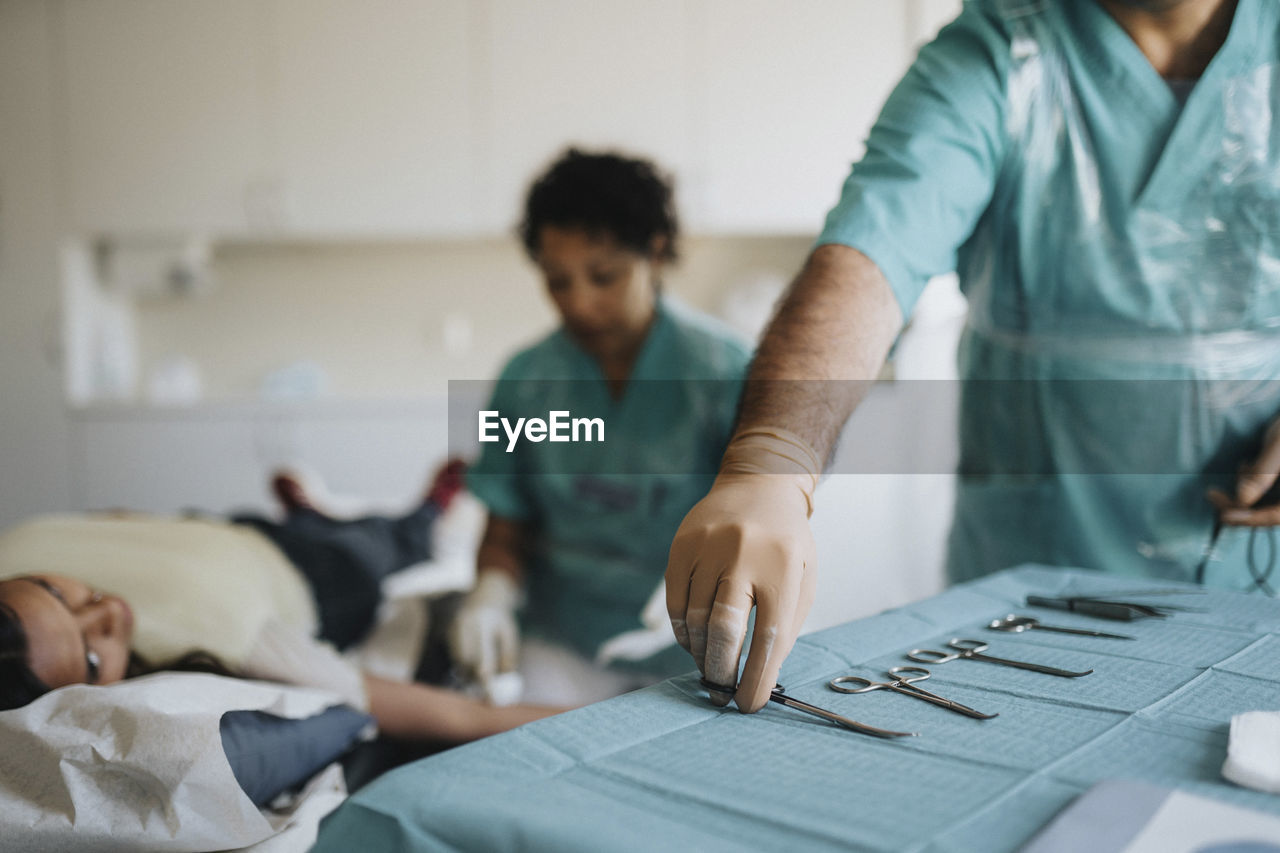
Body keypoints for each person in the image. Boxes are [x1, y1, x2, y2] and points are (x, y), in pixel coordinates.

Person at [666, 0, 1280, 715]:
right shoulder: (1005, 52)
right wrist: (771, 462)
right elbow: (870, 260)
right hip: (1039, 584)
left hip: (1255, 571)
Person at [453, 148, 752, 704]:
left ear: (655, 252)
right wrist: (489, 595)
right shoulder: (527, 381)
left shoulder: (723, 372)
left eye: (604, 276)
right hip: (564, 643)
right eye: (557, 281)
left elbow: (757, 523)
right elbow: (504, 527)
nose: (580, 303)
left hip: (694, 638)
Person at [0, 468, 560, 744]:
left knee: (367, 536)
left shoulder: (18, 543)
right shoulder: (223, 644)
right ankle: (427, 506)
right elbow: (467, 716)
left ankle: (331, 512)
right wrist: (638, 714)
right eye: (93, 660)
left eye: (56, 592)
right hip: (305, 567)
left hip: (235, 536)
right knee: (388, 536)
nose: (109, 612)